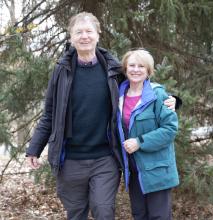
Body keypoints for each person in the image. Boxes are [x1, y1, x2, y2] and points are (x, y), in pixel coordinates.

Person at [26, 12, 177, 220]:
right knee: (76, 213)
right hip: (70, 160)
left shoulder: (113, 70)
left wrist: (175, 99)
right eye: (79, 32)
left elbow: (144, 87)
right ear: (71, 37)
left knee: (103, 210)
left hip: (105, 158)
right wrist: (34, 148)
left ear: (98, 35)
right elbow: (49, 114)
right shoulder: (61, 72)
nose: (84, 36)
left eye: (89, 31)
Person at [117, 49, 179, 220]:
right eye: (132, 65)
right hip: (134, 170)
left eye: (141, 66)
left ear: (148, 71)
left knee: (159, 216)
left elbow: (169, 129)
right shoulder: (118, 95)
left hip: (157, 169)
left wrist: (139, 142)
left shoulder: (158, 94)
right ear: (125, 68)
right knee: (139, 215)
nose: (136, 69)